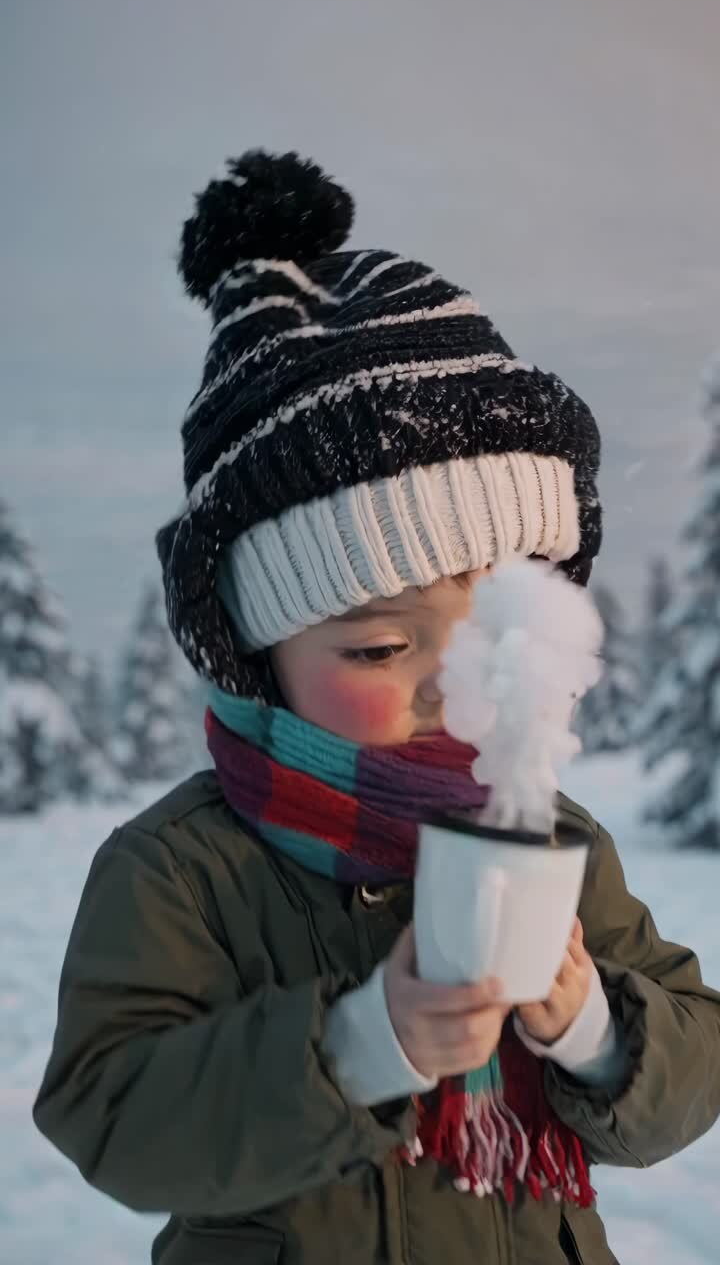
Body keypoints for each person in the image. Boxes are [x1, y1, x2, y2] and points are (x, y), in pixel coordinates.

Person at [33, 150, 720, 1265]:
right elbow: (111, 1111)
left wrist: (591, 1023)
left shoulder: (554, 841)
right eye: (382, 646)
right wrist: (359, 1044)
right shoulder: (184, 870)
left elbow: (696, 1055)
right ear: (260, 657)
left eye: (494, 626)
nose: (449, 677)